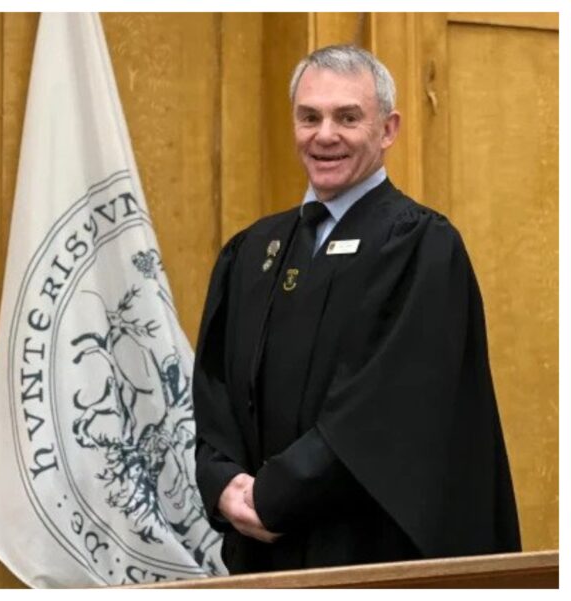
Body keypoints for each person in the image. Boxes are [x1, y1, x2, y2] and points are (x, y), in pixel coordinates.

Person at [192, 45, 520, 574]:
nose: (325, 135)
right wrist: (222, 481)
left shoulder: (419, 246)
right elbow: (214, 393)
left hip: (371, 554)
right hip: (262, 554)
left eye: (348, 117)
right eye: (309, 117)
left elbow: (385, 409)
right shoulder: (253, 251)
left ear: (387, 129)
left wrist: (274, 496)